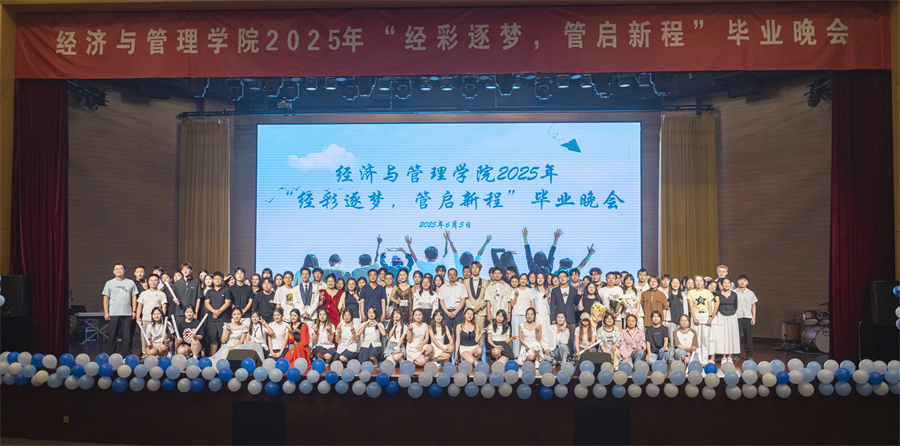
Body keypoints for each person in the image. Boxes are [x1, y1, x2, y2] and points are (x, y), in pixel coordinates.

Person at [102, 263, 140, 355]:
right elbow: (106, 298)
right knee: (112, 336)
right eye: (117, 269)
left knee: (127, 336)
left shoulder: (130, 283)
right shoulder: (109, 283)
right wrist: (106, 312)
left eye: (121, 269)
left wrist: (134, 311)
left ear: (124, 271)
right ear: (113, 271)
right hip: (113, 313)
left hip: (127, 313)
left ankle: (126, 356)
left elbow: (134, 297)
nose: (119, 270)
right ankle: (111, 355)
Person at [136, 274, 167, 357]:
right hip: (145, 319)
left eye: (155, 280)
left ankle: (158, 354)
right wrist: (138, 317)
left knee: (158, 338)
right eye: (151, 280)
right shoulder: (143, 293)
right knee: (144, 338)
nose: (153, 282)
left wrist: (161, 318)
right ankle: (145, 354)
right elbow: (139, 306)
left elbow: (164, 306)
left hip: (157, 320)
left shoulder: (162, 294)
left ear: (158, 282)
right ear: (148, 282)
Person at [687, 274, 716, 363]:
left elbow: (709, 305)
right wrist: (694, 317)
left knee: (705, 339)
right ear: (694, 282)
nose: (699, 283)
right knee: (696, 339)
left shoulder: (707, 292)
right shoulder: (691, 292)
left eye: (700, 281)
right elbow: (691, 307)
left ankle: (704, 360)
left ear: (703, 282)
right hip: (696, 315)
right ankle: (697, 359)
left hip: (705, 315)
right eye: (697, 280)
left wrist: (710, 317)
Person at [204, 272, 233, 357]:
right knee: (213, 341)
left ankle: (222, 358)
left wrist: (219, 311)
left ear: (222, 280)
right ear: (213, 280)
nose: (217, 280)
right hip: (212, 320)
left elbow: (227, 303)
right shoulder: (209, 292)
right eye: (215, 278)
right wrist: (214, 311)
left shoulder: (226, 290)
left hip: (223, 319)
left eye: (219, 278)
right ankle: (213, 358)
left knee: (223, 341)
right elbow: (206, 304)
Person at [549, 270, 578, 351]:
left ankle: (570, 353)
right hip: (559, 319)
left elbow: (576, 303)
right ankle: (558, 353)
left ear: (568, 278)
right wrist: (553, 318)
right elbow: (552, 305)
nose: (562, 278)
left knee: (571, 338)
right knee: (558, 337)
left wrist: (579, 296)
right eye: (560, 277)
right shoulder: (554, 290)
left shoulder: (573, 290)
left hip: (570, 317)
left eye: (564, 276)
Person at [714, 277, 740, 364]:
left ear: (730, 284)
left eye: (728, 283)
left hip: (732, 317)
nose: (726, 285)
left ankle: (730, 356)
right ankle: (724, 356)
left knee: (731, 336)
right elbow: (717, 306)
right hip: (721, 316)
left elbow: (736, 306)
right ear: (721, 284)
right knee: (722, 336)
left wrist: (732, 313)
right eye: (724, 283)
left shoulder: (734, 294)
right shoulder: (718, 294)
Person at [734, 275, 758, 361]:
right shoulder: (733, 292)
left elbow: (753, 305)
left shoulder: (751, 293)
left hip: (748, 317)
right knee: (736, 337)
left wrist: (753, 317)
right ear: (737, 281)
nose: (742, 282)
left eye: (744, 280)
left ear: (747, 282)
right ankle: (736, 354)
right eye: (740, 280)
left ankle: (749, 354)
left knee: (748, 337)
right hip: (737, 317)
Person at [463, 261, 488, 342]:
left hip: (481, 312)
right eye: (473, 268)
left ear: (480, 269)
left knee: (480, 333)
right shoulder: (465, 282)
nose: (475, 269)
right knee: (468, 333)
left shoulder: (485, 282)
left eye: (477, 268)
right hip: (469, 312)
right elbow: (464, 296)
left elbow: (486, 297)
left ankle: (479, 349)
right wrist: (471, 307)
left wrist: (479, 306)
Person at [438, 268, 468, 333]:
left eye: (454, 274)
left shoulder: (461, 286)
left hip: (458, 312)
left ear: (457, 276)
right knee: (446, 332)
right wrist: (447, 312)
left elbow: (463, 300)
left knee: (458, 332)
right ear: (447, 276)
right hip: (446, 312)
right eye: (450, 274)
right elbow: (441, 301)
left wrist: (455, 312)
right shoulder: (443, 287)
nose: (452, 276)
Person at [666, 277, 688, 348]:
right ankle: (672, 353)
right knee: (672, 339)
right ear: (670, 284)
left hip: (681, 321)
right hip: (671, 321)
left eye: (677, 283)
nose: (675, 285)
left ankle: (679, 353)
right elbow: (666, 309)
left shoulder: (682, 296)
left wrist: (686, 320)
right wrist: (666, 321)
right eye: (673, 283)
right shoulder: (667, 295)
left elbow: (685, 308)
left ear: (680, 284)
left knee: (681, 338)